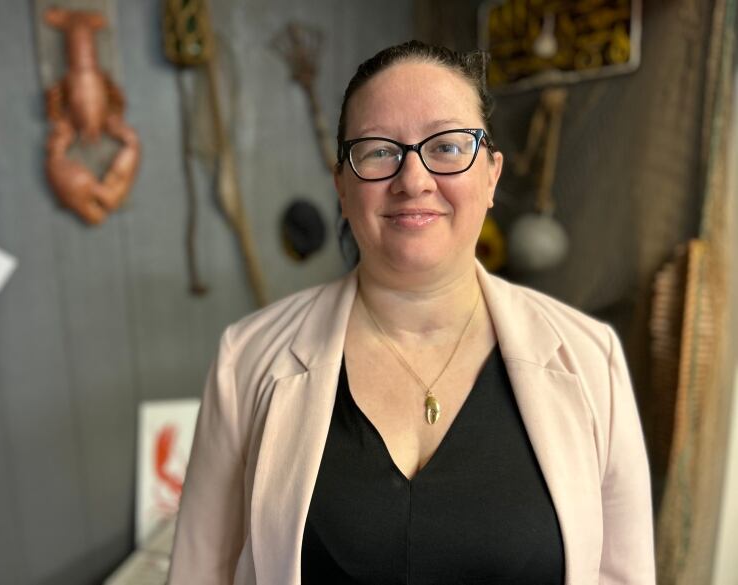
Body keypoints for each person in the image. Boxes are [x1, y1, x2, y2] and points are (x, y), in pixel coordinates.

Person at [168, 40, 655, 585]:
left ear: (492, 176)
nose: (413, 180)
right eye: (378, 150)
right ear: (342, 188)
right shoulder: (248, 359)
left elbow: (622, 574)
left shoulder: (591, 359)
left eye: (447, 146)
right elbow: (200, 571)